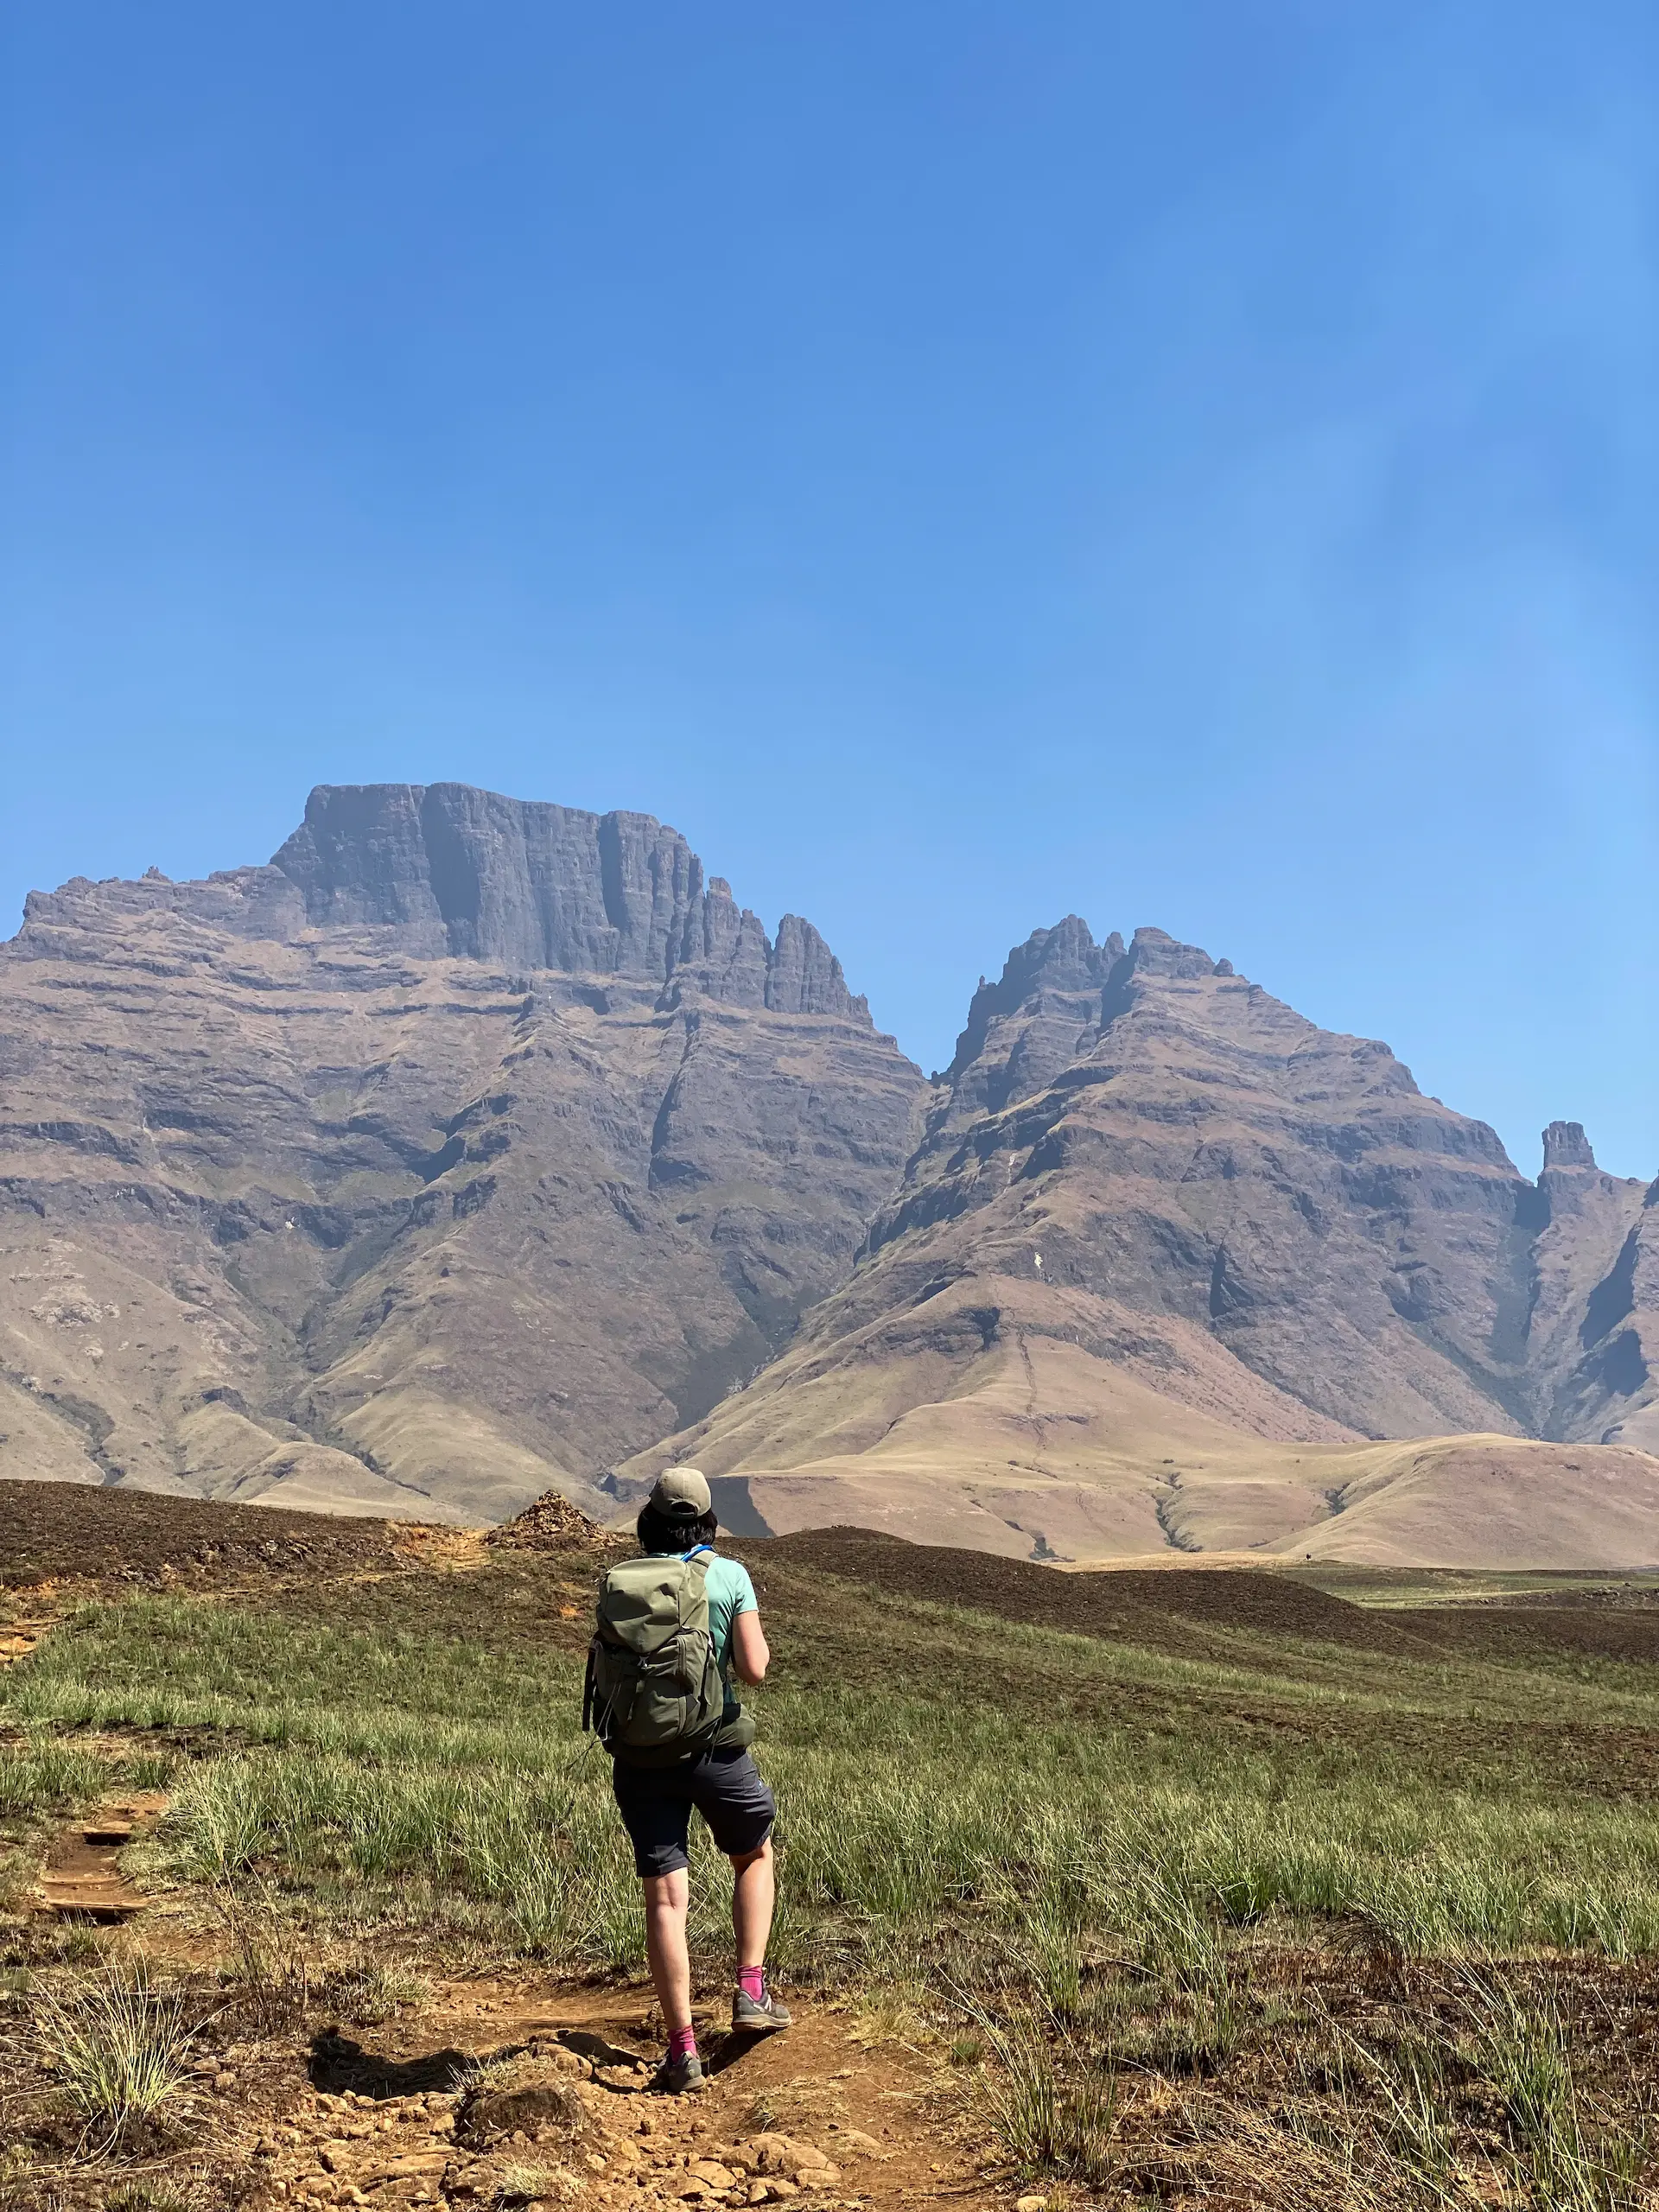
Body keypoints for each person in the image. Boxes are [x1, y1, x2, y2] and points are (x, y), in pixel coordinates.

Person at [601, 1467, 791, 2094]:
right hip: (714, 1751)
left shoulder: (623, 1582)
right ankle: (751, 1989)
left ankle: (682, 2052)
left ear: (649, 1521)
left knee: (665, 1899)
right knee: (753, 1854)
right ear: (707, 1521)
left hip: (641, 1756)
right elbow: (756, 1669)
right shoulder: (729, 1575)